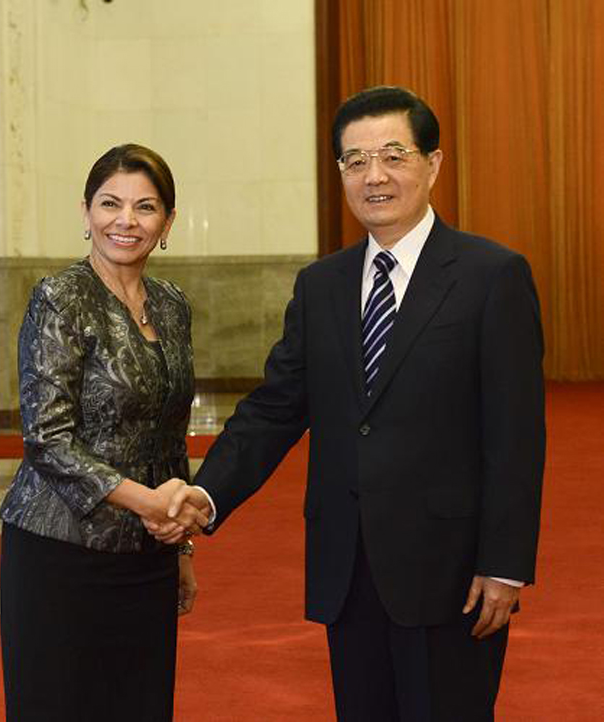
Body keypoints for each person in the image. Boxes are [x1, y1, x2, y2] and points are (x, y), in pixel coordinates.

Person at [153, 86, 546, 721]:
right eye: (355, 161)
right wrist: (207, 493)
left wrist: (504, 564)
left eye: (393, 155)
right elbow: (276, 408)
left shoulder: (491, 276)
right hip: (348, 568)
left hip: (449, 570)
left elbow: (516, 435)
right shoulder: (322, 285)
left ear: (433, 164)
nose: (374, 176)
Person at [0, 143, 206, 722]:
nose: (126, 220)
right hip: (61, 554)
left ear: (168, 222)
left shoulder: (172, 305)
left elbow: (170, 433)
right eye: (110, 203)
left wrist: (179, 545)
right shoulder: (60, 298)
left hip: (147, 556)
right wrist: (149, 504)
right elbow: (47, 437)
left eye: (146, 207)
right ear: (86, 212)